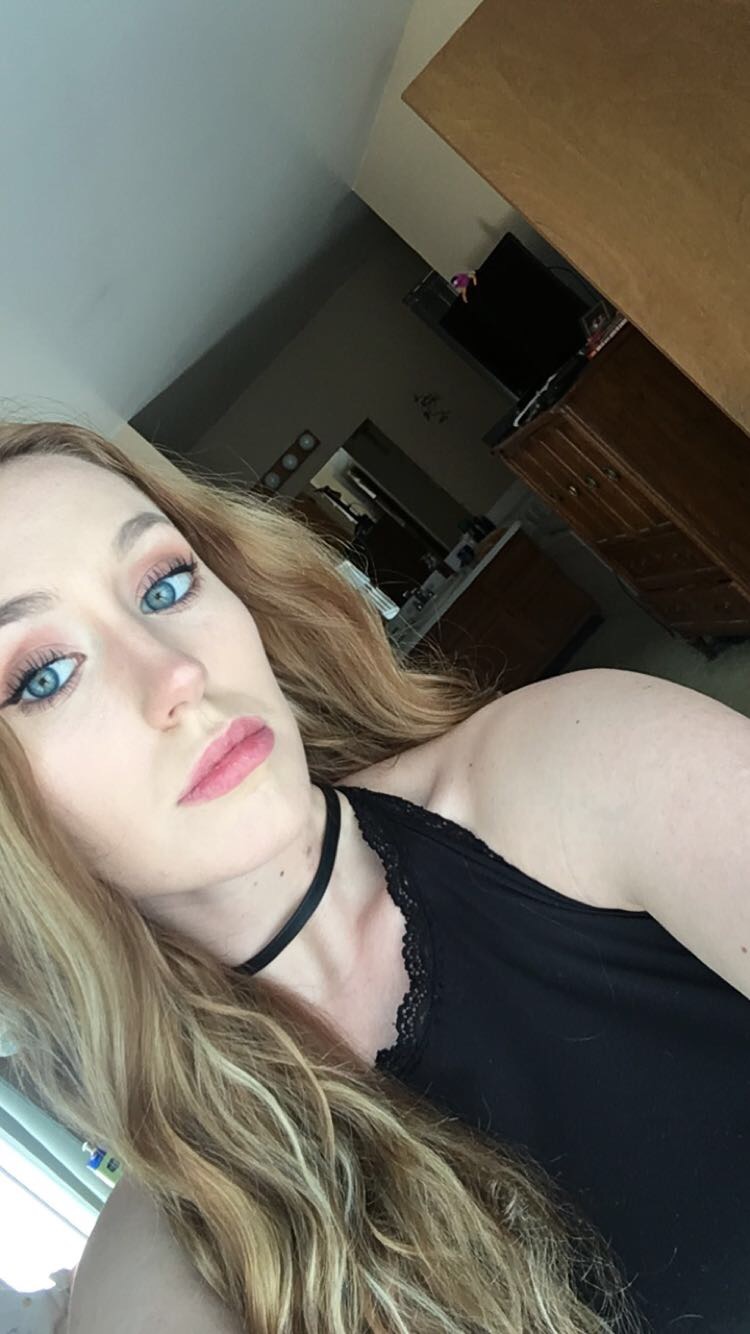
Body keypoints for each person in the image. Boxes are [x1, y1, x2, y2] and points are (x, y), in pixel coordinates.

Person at [0, 423, 746, 1334]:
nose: (179, 675)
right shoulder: (164, 1274)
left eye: (166, 584)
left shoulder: (587, 762)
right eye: (44, 676)